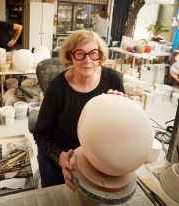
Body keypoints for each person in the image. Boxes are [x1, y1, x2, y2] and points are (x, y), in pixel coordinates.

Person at [33, 30, 126, 190]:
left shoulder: (112, 79)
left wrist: (122, 107)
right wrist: (60, 157)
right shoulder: (57, 88)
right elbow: (41, 133)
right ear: (70, 57)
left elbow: (121, 126)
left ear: (100, 56)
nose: (87, 60)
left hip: (96, 154)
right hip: (62, 153)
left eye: (93, 53)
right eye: (80, 54)